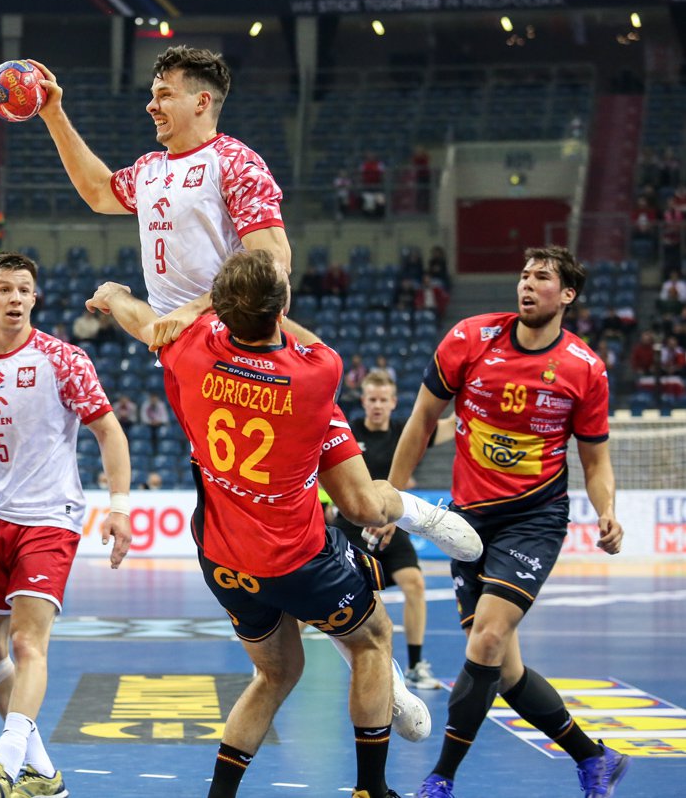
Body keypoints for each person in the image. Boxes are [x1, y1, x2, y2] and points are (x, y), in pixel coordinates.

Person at [87, 249, 469, 798]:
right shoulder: (318, 371)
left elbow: (144, 322)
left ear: (223, 309)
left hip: (224, 559)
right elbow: (310, 345)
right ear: (281, 306)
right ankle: (371, 789)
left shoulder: (189, 351)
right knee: (372, 639)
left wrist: (113, 294)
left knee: (275, 674)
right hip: (298, 556)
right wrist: (258, 305)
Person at [389, 247, 629, 798]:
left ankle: (441, 779)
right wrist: (392, 497)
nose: (527, 284)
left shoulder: (585, 369)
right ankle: (595, 759)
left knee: (488, 639)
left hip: (534, 518)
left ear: (566, 295)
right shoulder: (469, 339)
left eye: (542, 277)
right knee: (505, 671)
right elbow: (422, 419)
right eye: (524, 275)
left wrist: (607, 510)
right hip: (468, 523)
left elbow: (596, 461)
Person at [0, 252, 132, 798]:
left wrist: (120, 506)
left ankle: (4, 764)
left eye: (24, 289)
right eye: (5, 289)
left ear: (35, 298)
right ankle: (44, 774)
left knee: (26, 642)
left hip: (51, 518)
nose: (15, 298)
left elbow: (109, 432)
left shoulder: (63, 359)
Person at [33, 45, 291, 347]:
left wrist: (193, 310)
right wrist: (53, 114)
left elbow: (274, 266)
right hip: (174, 346)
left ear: (201, 102)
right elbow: (98, 192)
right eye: (153, 95)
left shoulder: (234, 162)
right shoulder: (148, 168)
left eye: (165, 95)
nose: (151, 106)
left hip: (234, 344)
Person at [328, 370, 454, 690]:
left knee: (415, 584)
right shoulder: (348, 431)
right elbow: (322, 464)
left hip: (390, 526)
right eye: (372, 399)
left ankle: (415, 666)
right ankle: (278, 663)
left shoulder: (403, 432)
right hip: (351, 525)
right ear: (364, 401)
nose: (377, 405)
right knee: (325, 595)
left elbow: (448, 426)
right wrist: (328, 501)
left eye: (383, 400)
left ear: (393, 402)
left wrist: (468, 403)